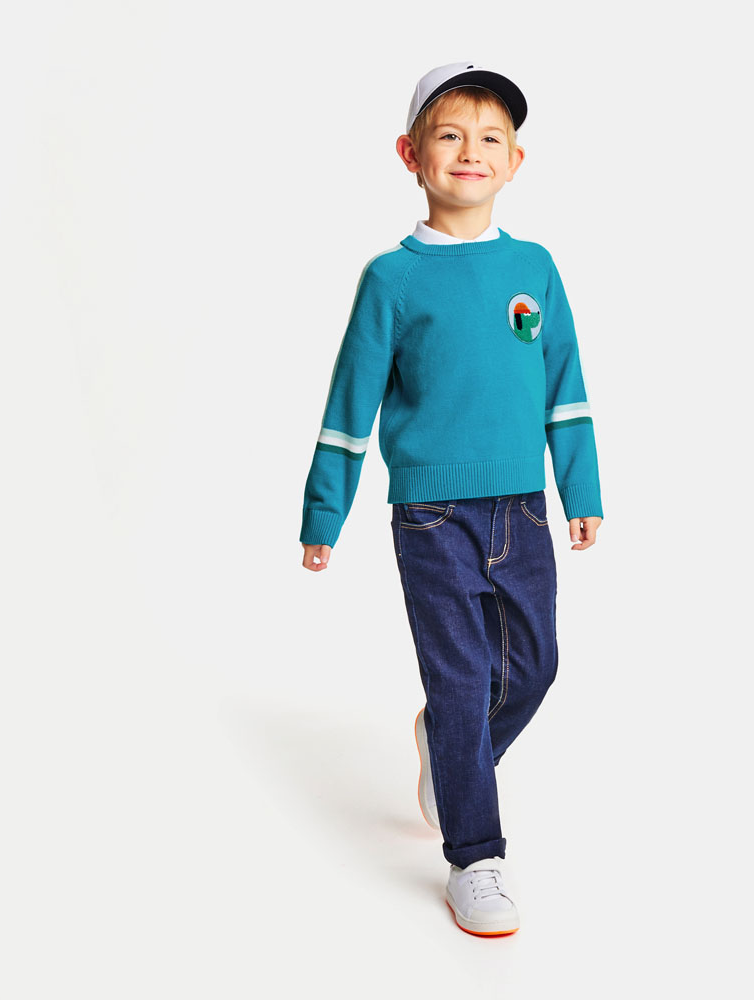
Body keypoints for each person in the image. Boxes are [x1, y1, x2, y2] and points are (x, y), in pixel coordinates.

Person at [299, 62, 604, 936]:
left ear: (515, 161)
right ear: (411, 154)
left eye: (491, 138)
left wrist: (580, 487)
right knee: (462, 677)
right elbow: (351, 402)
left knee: (534, 666)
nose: (471, 151)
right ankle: (476, 856)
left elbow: (565, 388)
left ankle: (450, 746)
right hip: (430, 517)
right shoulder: (392, 281)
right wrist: (325, 511)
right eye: (450, 135)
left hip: (524, 509)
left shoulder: (535, 268)